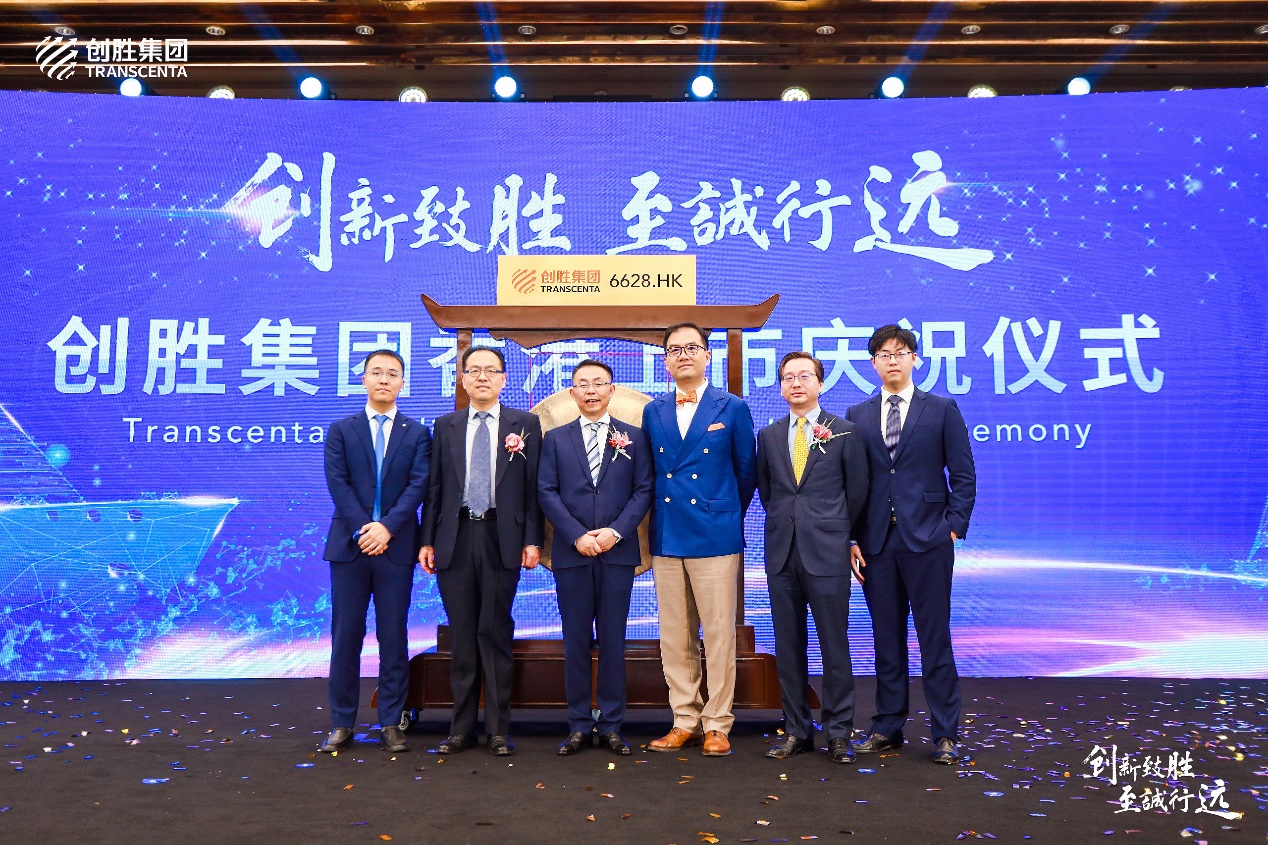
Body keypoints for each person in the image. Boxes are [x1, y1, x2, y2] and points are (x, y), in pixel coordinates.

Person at [846, 325, 977, 765]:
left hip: (929, 540)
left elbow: (963, 474)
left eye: (901, 352)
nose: (893, 359)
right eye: (884, 353)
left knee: (934, 637)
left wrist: (953, 527)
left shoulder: (941, 409)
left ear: (915, 359)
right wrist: (852, 537)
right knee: (886, 639)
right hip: (876, 543)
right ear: (873, 363)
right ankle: (887, 727)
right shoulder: (858, 414)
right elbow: (854, 483)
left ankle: (946, 733)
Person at [418, 346, 543, 756]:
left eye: (491, 371)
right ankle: (460, 728)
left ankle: (498, 730)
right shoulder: (446, 425)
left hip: (501, 536)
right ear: (463, 379)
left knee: (494, 630)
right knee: (462, 633)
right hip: (454, 536)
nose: (483, 377)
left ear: (504, 379)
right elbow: (435, 489)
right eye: (474, 371)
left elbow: (533, 489)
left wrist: (532, 539)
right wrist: (427, 540)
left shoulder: (525, 425)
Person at [641, 322, 756, 757]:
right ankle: (684, 719)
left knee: (719, 633)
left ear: (708, 355)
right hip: (668, 531)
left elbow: (746, 473)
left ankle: (718, 723)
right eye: (674, 349)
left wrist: (717, 508)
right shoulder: (654, 410)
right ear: (665, 361)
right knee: (675, 634)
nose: (683, 355)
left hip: (715, 533)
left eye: (692, 347)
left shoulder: (733, 407)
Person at [756, 351, 868, 764]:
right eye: (788, 377)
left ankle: (838, 733)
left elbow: (857, 492)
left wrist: (842, 535)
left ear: (820, 383)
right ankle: (797, 731)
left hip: (828, 552)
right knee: (788, 648)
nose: (796, 383)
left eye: (805, 376)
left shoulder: (845, 432)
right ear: (780, 387)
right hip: (782, 554)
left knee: (834, 647)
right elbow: (769, 492)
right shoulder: (768, 436)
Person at [538, 359, 653, 756]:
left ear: (611, 390)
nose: (591, 390)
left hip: (617, 552)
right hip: (571, 554)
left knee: (613, 641)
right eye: (583, 384)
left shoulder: (634, 437)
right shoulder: (555, 438)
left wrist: (615, 532)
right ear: (571, 393)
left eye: (598, 383)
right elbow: (546, 491)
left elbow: (643, 490)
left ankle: (612, 725)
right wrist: (575, 535)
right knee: (574, 641)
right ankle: (577, 725)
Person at [320, 349, 432, 754]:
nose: (384, 379)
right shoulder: (342, 430)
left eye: (393, 374)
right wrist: (363, 528)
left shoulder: (417, 433)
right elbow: (338, 483)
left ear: (403, 382)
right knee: (346, 636)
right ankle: (341, 722)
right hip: (350, 548)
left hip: (396, 548)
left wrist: (387, 528)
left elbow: (418, 485)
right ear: (364, 379)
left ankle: (390, 721)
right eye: (377, 373)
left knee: (393, 636)